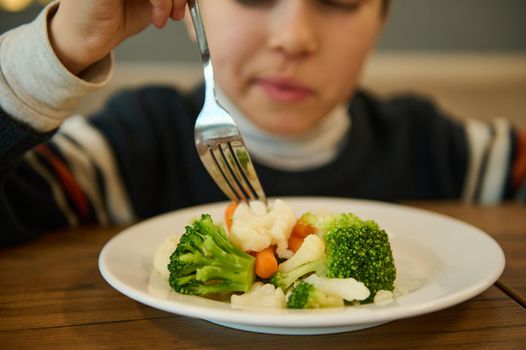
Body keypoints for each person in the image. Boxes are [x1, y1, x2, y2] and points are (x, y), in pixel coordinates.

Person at [0, 0, 524, 247]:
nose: (294, 37)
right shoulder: (125, 147)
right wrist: (54, 57)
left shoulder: (436, 146)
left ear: (382, 20)